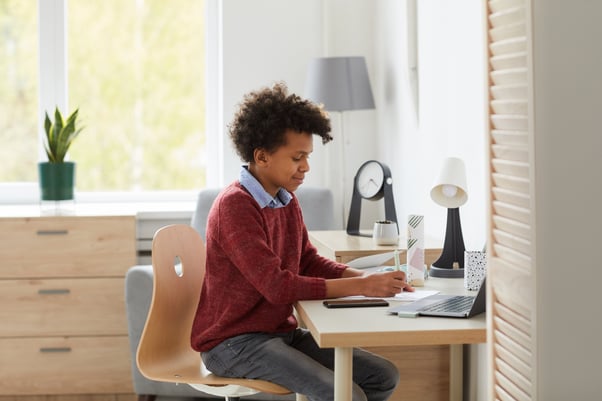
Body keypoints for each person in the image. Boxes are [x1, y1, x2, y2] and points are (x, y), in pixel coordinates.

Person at [191, 82, 414, 401]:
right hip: (232, 343)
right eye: (297, 157)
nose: (306, 167)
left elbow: (307, 260)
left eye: (307, 156)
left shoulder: (284, 200)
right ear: (262, 156)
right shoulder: (235, 207)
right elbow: (277, 286)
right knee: (341, 393)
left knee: (381, 376)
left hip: (278, 333)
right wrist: (363, 287)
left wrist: (365, 278)